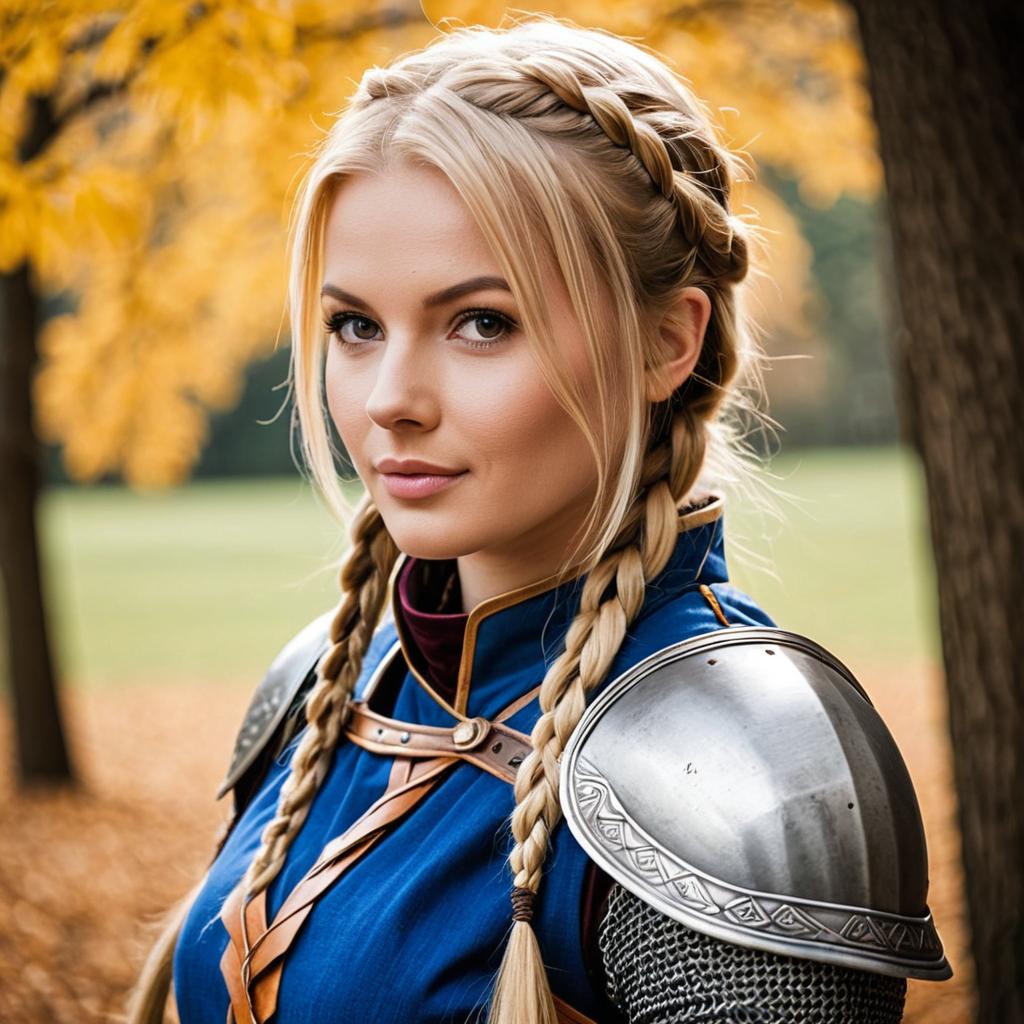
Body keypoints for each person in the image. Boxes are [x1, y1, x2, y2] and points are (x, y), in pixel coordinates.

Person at [127, 14, 952, 1024]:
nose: (389, 398)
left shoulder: (737, 771)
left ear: (666, 341)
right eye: (356, 325)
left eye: (481, 323)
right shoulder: (322, 682)